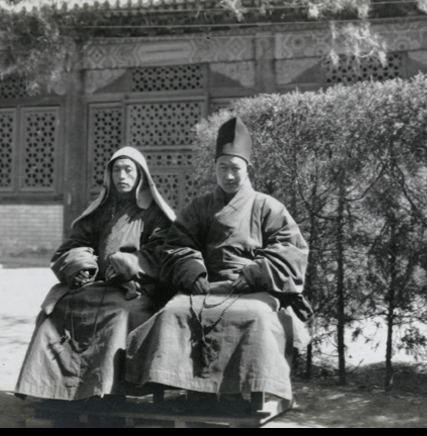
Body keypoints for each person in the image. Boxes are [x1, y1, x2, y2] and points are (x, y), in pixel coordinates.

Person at [126, 117, 312, 404]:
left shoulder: (268, 207)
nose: (229, 176)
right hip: (206, 286)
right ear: (214, 169)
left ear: (248, 169)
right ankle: (185, 389)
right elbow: (178, 244)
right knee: (172, 312)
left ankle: (245, 392)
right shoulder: (200, 207)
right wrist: (193, 272)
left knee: (255, 317)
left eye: (235, 168)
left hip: (253, 288)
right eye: (222, 168)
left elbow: (290, 250)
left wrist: (254, 273)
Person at [15, 147, 175, 401]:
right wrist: (81, 266)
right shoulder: (101, 210)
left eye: (128, 170)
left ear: (141, 175)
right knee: (58, 310)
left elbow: (162, 251)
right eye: (116, 170)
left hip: (137, 288)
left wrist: (126, 265)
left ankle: (108, 391)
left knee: (119, 314)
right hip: (98, 282)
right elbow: (76, 242)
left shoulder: (154, 213)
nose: (122, 176)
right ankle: (55, 390)